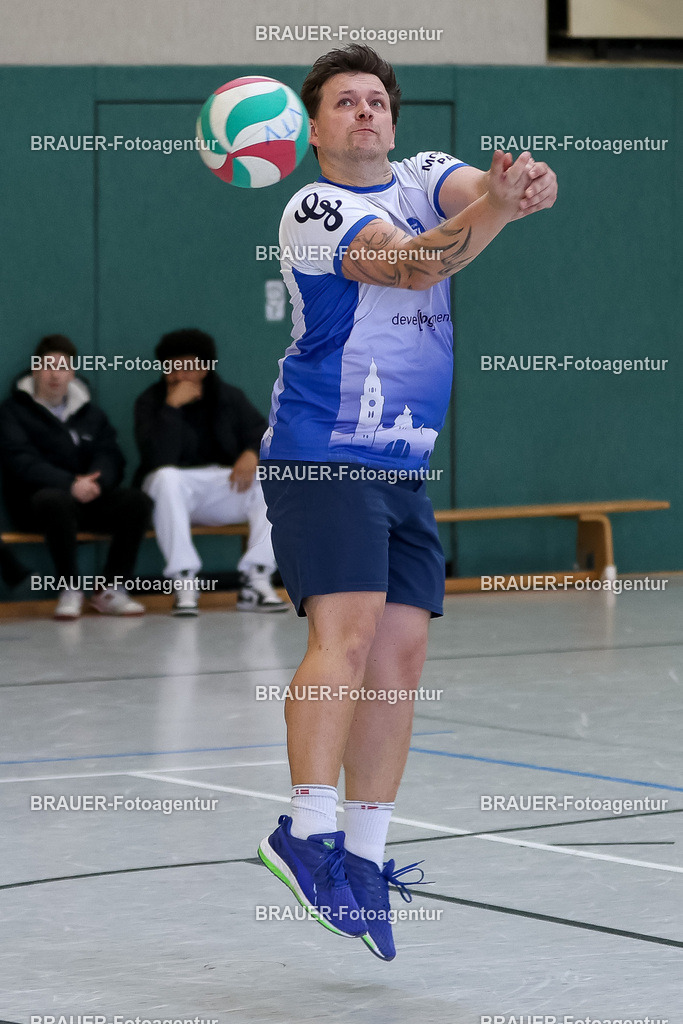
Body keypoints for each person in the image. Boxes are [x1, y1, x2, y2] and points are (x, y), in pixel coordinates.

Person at [256, 45, 558, 960]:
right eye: (344, 102)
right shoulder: (315, 209)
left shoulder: (426, 175)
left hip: (400, 460)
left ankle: (364, 856)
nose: (365, 112)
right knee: (343, 637)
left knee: (400, 651)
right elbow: (416, 268)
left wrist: (520, 181)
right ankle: (303, 833)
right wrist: (497, 210)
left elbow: (472, 188)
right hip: (322, 449)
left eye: (377, 100)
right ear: (313, 129)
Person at [134, 328, 287, 615]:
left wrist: (251, 453)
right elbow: (156, 458)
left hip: (223, 488)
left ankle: (257, 579)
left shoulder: (229, 397)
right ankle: (183, 581)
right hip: (173, 494)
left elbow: (263, 433)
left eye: (187, 366)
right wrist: (171, 409)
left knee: (270, 477)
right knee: (166, 477)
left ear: (204, 368)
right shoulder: (151, 402)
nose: (179, 376)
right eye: (171, 367)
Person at [0, 334, 151, 619]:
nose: (54, 374)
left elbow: (111, 455)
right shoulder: (12, 412)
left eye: (62, 366)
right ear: (35, 370)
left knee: (137, 501)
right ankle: (69, 589)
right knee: (53, 500)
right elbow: (21, 461)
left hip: (88, 500)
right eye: (47, 366)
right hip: (36, 505)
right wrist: (70, 484)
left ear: (72, 372)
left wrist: (97, 481)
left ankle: (112, 589)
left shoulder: (92, 414)